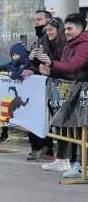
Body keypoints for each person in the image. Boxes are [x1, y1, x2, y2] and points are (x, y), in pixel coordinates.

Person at [39, 13, 88, 178]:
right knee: (75, 128)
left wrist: (52, 64)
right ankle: (72, 162)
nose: (65, 32)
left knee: (83, 130)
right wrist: (51, 70)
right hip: (74, 91)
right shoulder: (70, 44)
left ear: (79, 29)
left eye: (69, 28)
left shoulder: (84, 45)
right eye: (65, 28)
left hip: (83, 92)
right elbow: (66, 67)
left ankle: (82, 165)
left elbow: (74, 66)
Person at [21, 10, 56, 162]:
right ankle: (43, 147)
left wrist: (33, 67)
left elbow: (48, 62)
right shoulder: (39, 38)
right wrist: (30, 58)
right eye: (34, 19)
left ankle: (41, 146)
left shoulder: (48, 39)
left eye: (39, 20)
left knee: (41, 116)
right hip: (39, 83)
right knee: (38, 115)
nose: (36, 22)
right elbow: (36, 62)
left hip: (47, 83)